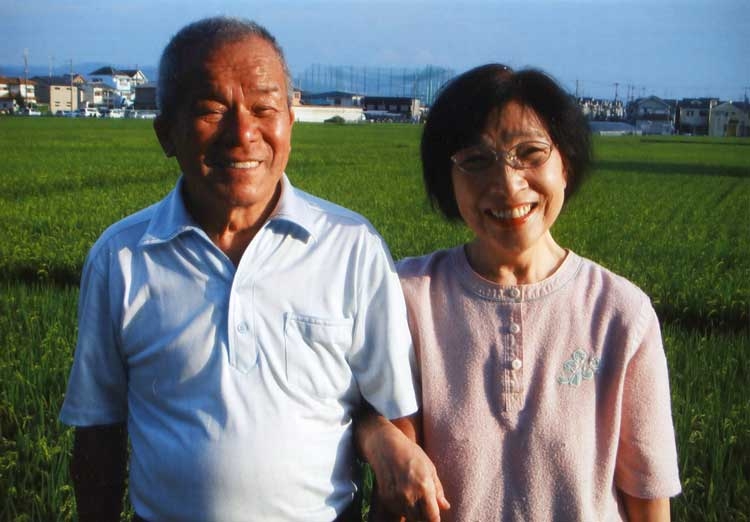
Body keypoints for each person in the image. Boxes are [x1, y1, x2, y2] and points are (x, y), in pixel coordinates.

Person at [59, 16, 421, 522]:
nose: (243, 133)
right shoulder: (123, 258)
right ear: (167, 132)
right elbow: (98, 434)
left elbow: (396, 421)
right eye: (211, 109)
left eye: (264, 108)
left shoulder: (350, 247)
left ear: (290, 121)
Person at [389, 64, 682, 521]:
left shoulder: (621, 314)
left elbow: (648, 498)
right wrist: (376, 435)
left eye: (530, 154)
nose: (508, 184)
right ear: (448, 178)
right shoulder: (408, 298)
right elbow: (352, 412)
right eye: (476, 160)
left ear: (565, 162)